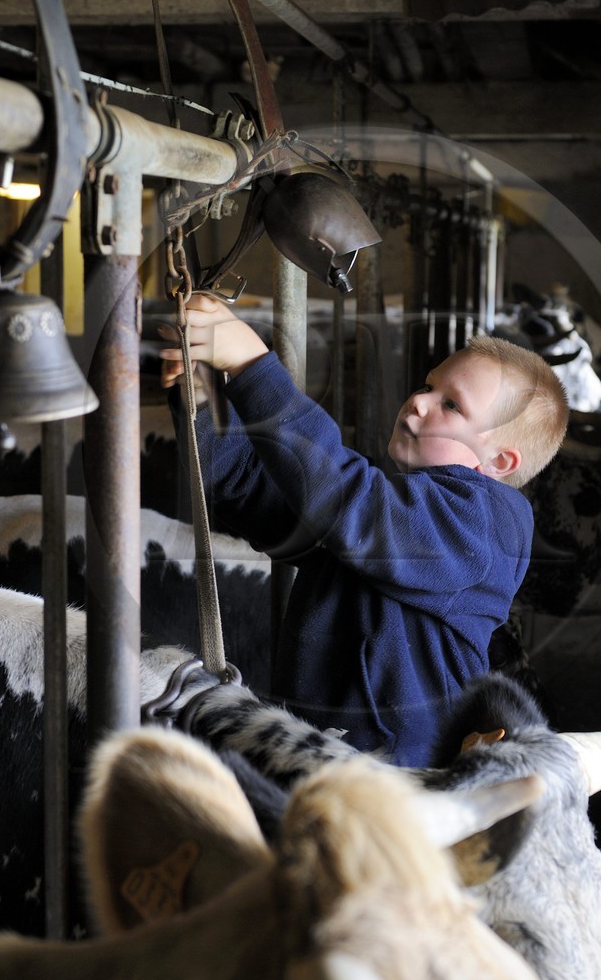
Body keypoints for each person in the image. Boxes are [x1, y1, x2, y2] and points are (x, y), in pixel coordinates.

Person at [162, 293, 569, 767]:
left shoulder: (487, 524)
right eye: (428, 385)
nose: (418, 401)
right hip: (318, 752)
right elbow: (248, 491)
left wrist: (254, 367)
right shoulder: (386, 508)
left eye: (452, 405)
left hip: (406, 771)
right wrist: (203, 401)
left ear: (499, 461)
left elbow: (346, 499)